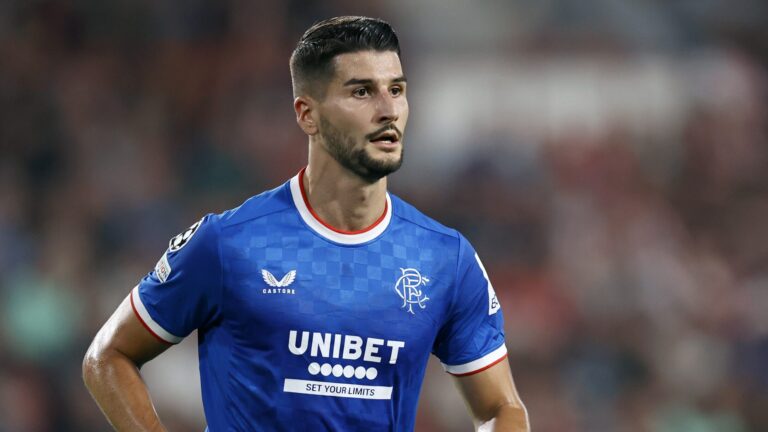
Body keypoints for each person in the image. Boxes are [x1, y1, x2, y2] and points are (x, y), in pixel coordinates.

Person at [82, 16, 529, 432]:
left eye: (396, 89)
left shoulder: (444, 258)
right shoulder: (229, 244)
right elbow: (108, 356)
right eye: (361, 92)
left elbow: (501, 407)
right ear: (306, 114)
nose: (388, 110)